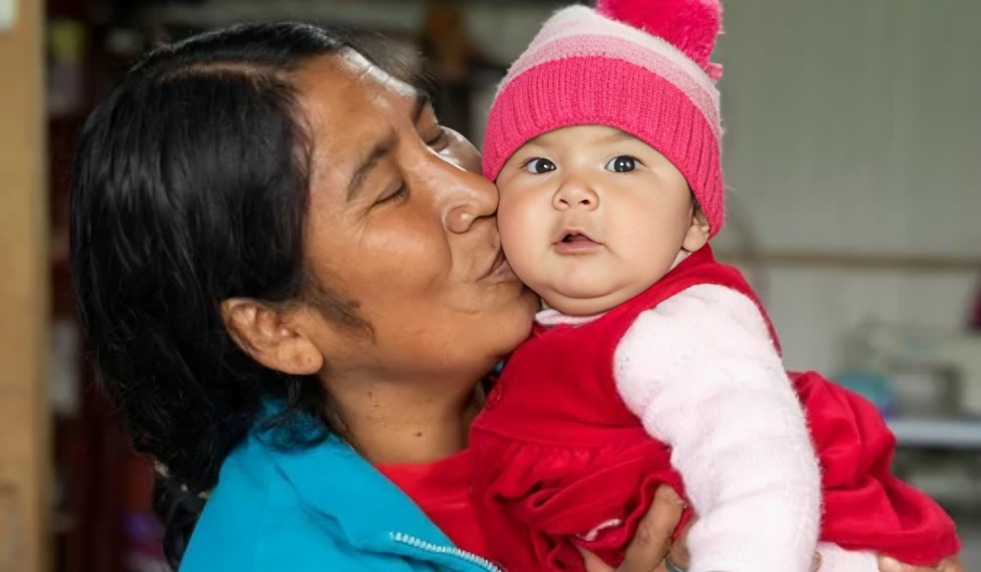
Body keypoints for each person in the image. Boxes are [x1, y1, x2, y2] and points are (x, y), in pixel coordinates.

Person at [69, 19, 959, 572]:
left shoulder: (610, 366)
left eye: (438, 133)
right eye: (387, 190)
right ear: (276, 328)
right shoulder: (279, 556)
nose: (478, 191)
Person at [469, 1, 962, 572]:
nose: (575, 190)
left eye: (623, 164)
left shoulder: (682, 325)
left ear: (694, 224)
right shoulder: (534, 337)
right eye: (538, 166)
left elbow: (761, 482)